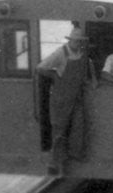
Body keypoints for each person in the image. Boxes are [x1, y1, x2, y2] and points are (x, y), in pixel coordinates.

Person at [37, 24, 95, 174]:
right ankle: (54, 163)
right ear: (70, 40)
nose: (78, 43)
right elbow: (40, 68)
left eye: (80, 41)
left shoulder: (82, 54)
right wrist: (55, 76)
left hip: (76, 97)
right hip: (61, 99)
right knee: (59, 131)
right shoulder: (60, 53)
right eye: (76, 40)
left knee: (78, 127)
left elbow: (88, 65)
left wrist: (92, 80)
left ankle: (74, 157)